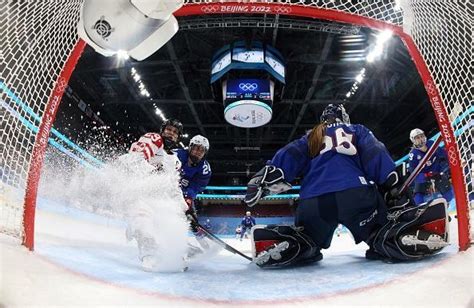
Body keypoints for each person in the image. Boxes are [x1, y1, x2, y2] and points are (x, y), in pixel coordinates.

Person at [244, 104, 449, 268]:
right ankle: (395, 236)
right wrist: (391, 183)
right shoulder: (356, 129)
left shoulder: (311, 136)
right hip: (355, 194)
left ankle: (296, 244)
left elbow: (289, 156)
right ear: (344, 117)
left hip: (314, 202)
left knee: (308, 237)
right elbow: (375, 153)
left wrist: (263, 177)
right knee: (378, 230)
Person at [175, 135, 212, 249]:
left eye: (201, 150)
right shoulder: (177, 155)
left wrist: (188, 197)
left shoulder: (205, 168)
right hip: (166, 190)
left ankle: (203, 241)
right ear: (190, 147)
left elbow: (198, 186)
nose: (198, 152)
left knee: (192, 219)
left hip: (184, 194)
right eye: (196, 148)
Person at [408, 128, 453, 205]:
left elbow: (445, 155)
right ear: (413, 140)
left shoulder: (432, 144)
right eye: (417, 138)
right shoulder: (413, 155)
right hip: (424, 178)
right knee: (418, 199)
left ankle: (448, 205)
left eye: (421, 136)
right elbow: (413, 174)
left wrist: (453, 162)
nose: (421, 139)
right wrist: (425, 176)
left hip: (437, 174)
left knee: (449, 195)